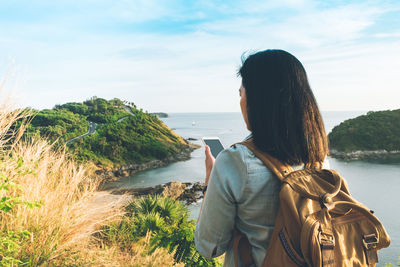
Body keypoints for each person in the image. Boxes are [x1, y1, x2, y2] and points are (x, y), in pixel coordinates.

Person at [194, 49, 329, 267]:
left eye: (241, 94)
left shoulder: (235, 162)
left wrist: (210, 182)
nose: (241, 102)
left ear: (258, 100)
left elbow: (209, 246)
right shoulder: (318, 159)